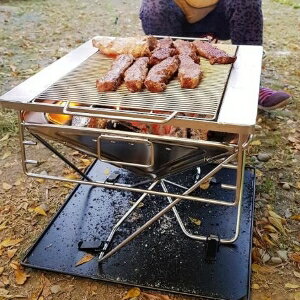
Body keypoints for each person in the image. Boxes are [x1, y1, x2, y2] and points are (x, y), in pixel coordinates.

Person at [139, 0, 290, 111]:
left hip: (221, 11)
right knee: (154, 6)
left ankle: (250, 85)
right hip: (174, 13)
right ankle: (169, 90)